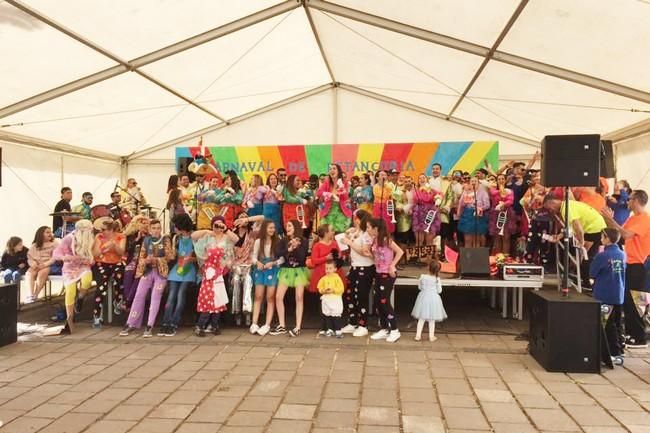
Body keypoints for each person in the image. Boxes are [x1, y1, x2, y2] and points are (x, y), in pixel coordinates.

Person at [600, 189, 650, 348]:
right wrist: (608, 219)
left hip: (640, 264)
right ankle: (631, 332)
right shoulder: (633, 218)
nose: (627, 202)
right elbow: (618, 234)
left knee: (637, 300)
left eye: (629, 199)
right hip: (629, 262)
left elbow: (627, 234)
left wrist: (610, 219)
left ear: (636, 200)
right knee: (628, 299)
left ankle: (640, 336)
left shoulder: (644, 219)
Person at [120, 219, 173, 337]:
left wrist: (157, 260)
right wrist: (146, 261)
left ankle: (150, 325)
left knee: (156, 296)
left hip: (160, 272)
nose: (156, 230)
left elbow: (170, 256)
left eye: (158, 228)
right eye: (154, 228)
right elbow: (141, 256)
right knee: (139, 295)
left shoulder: (165, 239)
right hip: (147, 271)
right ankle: (131, 323)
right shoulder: (146, 240)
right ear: (149, 229)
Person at [544, 194, 607, 286]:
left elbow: (578, 227)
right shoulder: (566, 206)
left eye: (549, 208)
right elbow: (570, 227)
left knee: (586, 255)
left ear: (552, 202)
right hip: (594, 227)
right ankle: (584, 279)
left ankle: (587, 281)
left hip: (595, 229)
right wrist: (560, 236)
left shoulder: (566, 208)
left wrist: (581, 242)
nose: (550, 211)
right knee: (584, 255)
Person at [192, 215, 238, 334]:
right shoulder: (207, 236)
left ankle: (215, 324)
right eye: (215, 224)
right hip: (209, 272)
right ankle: (201, 324)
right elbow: (193, 236)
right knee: (207, 298)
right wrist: (207, 230)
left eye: (220, 224)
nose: (218, 227)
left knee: (219, 298)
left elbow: (236, 239)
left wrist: (226, 229)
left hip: (222, 272)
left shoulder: (227, 237)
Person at [52, 220, 95, 333]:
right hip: (70, 267)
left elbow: (93, 254)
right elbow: (56, 253)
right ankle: (70, 317)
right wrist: (63, 257)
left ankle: (80, 298)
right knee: (70, 291)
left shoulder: (91, 239)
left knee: (87, 280)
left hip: (83, 266)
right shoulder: (69, 238)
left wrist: (91, 260)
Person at [589, 228, 626, 357]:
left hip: (604, 293)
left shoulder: (602, 255)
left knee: (607, 325)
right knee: (617, 323)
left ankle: (613, 352)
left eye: (602, 236)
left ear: (608, 239)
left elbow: (592, 273)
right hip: (618, 293)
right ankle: (620, 347)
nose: (600, 239)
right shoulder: (622, 254)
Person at [158, 214, 196, 337]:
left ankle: (174, 322)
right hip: (177, 269)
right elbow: (172, 255)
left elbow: (200, 255)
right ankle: (165, 322)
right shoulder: (176, 238)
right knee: (171, 296)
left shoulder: (195, 237)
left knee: (181, 296)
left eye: (176, 225)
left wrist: (192, 259)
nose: (174, 228)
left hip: (189, 270)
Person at [367, 217, 404, 343]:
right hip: (378, 272)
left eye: (369, 227)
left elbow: (400, 252)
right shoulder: (374, 241)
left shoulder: (386, 240)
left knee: (384, 301)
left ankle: (394, 330)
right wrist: (370, 255)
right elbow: (377, 256)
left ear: (375, 229)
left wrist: (392, 265)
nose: (367, 230)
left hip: (387, 274)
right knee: (377, 301)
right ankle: (384, 328)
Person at [340, 210, 374, 337]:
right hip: (354, 267)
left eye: (356, 218)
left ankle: (363, 324)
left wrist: (350, 243)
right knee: (349, 294)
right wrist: (348, 236)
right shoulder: (356, 232)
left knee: (361, 296)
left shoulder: (367, 234)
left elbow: (364, 251)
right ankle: (352, 321)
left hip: (365, 268)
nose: (354, 220)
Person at [274, 220, 310, 337]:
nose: (287, 227)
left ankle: (298, 326)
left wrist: (295, 247)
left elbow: (302, 257)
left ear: (295, 227)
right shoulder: (283, 240)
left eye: (290, 225)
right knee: (279, 297)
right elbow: (277, 253)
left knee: (299, 297)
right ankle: (282, 325)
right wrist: (288, 250)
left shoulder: (303, 241)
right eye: (286, 226)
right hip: (285, 270)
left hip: (299, 270)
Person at [249, 219, 282, 336]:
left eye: (273, 228)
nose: (272, 230)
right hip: (261, 268)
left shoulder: (278, 241)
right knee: (258, 296)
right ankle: (254, 322)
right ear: (264, 229)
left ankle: (267, 324)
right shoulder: (258, 241)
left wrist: (273, 263)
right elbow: (253, 257)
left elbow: (282, 259)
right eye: (270, 228)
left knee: (270, 297)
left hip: (272, 269)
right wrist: (257, 262)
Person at [91, 219, 126, 328]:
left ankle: (118, 299)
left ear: (111, 230)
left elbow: (121, 252)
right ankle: (97, 315)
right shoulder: (99, 237)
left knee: (119, 276)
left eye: (104, 230)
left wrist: (114, 245)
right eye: (100, 230)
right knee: (101, 286)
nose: (101, 232)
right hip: (101, 263)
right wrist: (103, 247)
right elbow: (95, 254)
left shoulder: (121, 237)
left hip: (116, 262)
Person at [231, 212, 264, 326]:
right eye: (240, 217)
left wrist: (248, 219)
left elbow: (263, 218)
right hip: (235, 265)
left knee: (247, 280)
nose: (243, 220)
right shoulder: (232, 235)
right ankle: (237, 312)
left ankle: (247, 312)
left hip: (249, 265)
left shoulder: (253, 233)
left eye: (245, 217)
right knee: (236, 280)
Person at [412, 259, 448, 342]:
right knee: (432, 319)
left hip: (423, 298)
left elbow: (419, 287)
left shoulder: (422, 277)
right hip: (434, 299)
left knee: (421, 318)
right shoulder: (437, 279)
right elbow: (439, 291)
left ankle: (418, 336)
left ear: (428, 267)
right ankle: (431, 337)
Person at [25, 226, 59, 303]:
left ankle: (36, 295)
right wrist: (33, 264)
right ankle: (30, 294)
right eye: (47, 232)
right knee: (29, 273)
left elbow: (55, 257)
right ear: (40, 234)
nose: (50, 234)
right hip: (37, 264)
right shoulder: (35, 245)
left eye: (50, 232)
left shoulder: (55, 243)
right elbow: (29, 257)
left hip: (48, 264)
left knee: (42, 273)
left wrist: (45, 264)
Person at [413, 174, 441, 263]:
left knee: (429, 239)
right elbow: (415, 200)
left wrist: (437, 199)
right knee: (419, 239)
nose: (421, 179)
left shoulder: (432, 191)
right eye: (420, 178)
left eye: (423, 178)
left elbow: (439, 196)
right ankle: (419, 258)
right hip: (419, 215)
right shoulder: (416, 191)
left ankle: (429, 259)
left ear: (427, 180)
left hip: (430, 214)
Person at [122, 215, 149, 307]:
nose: (143, 224)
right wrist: (137, 240)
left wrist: (145, 237)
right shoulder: (129, 236)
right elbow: (126, 250)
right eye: (141, 222)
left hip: (144, 262)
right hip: (131, 260)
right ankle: (128, 300)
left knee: (139, 275)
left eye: (145, 222)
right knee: (129, 274)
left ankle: (128, 301)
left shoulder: (149, 236)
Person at [317, 163, 352, 233]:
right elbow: (319, 193)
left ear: (338, 171)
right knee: (326, 233)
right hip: (328, 212)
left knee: (338, 235)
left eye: (334, 168)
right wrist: (330, 194)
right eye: (330, 169)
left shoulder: (344, 183)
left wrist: (342, 187)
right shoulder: (327, 183)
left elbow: (345, 198)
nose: (331, 170)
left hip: (341, 212)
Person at [457, 176, 490, 248]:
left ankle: (476, 256)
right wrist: (466, 200)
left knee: (477, 238)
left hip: (478, 215)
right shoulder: (466, 192)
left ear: (479, 183)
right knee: (468, 238)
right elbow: (461, 204)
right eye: (472, 181)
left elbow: (487, 205)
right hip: (467, 215)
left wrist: (479, 208)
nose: (473, 183)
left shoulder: (483, 192)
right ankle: (467, 256)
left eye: (475, 181)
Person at [488, 174, 516, 254]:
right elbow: (494, 194)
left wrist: (503, 204)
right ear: (497, 181)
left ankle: (505, 259)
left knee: (506, 237)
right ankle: (498, 258)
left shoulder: (510, 191)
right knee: (497, 237)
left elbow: (511, 201)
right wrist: (501, 190)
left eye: (502, 179)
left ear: (505, 180)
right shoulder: (493, 190)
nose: (501, 180)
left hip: (507, 214)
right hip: (496, 215)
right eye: (499, 179)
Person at [318, 260, 345, 338]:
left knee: (336, 315)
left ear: (335, 269)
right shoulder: (323, 279)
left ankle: (338, 330)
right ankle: (329, 329)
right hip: (327, 299)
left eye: (330, 268)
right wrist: (324, 290)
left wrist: (333, 290)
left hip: (335, 299)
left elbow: (341, 289)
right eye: (326, 268)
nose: (328, 270)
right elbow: (320, 288)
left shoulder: (337, 278)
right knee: (327, 315)